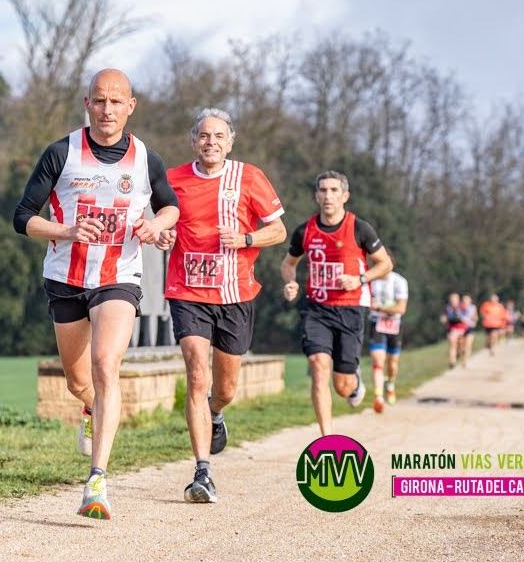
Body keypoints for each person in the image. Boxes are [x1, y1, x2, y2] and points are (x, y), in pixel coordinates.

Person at [12, 68, 180, 520]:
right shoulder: (62, 152)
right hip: (66, 277)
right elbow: (22, 215)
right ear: (87, 104)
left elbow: (170, 208)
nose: (108, 110)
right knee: (77, 380)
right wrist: (64, 230)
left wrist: (155, 226)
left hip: (119, 276)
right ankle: (91, 407)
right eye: (99, 101)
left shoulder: (147, 159)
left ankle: (97, 480)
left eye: (116, 101)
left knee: (107, 365)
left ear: (131, 105)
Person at [155, 108, 287, 503]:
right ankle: (202, 472)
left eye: (219, 136)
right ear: (192, 141)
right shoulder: (173, 180)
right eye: (204, 135)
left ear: (231, 142)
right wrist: (162, 236)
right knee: (197, 375)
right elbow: (162, 224)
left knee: (224, 388)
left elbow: (278, 230)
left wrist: (246, 240)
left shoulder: (249, 177)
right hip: (187, 291)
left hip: (235, 295)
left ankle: (216, 412)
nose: (211, 141)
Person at [280, 170, 393, 437]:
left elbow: (386, 264)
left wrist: (360, 278)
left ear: (345, 196)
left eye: (333, 190)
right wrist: (290, 282)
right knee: (319, 367)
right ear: (316, 196)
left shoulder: (359, 228)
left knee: (342, 386)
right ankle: (327, 439)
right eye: (323, 190)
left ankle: (354, 384)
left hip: (350, 308)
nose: (328, 195)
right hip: (316, 309)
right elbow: (288, 264)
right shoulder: (305, 230)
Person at [367, 255, 408, 412]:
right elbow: (367, 304)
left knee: (392, 363)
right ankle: (378, 397)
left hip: (394, 324)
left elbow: (401, 309)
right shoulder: (371, 281)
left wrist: (378, 308)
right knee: (378, 361)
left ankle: (390, 384)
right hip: (376, 323)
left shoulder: (399, 281)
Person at [440, 292, 466, 368]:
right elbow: (444, 317)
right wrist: (443, 319)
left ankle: (462, 357)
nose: (453, 300)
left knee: (461, 346)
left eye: (455, 299)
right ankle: (452, 362)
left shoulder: (462, 307)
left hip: (461, 328)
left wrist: (462, 318)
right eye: (451, 299)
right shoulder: (447, 308)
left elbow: (467, 317)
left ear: (458, 300)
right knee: (452, 344)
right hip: (451, 328)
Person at [459, 293, 479, 366]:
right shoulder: (460, 307)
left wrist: (475, 321)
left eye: (467, 299)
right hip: (461, 328)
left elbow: (476, 317)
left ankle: (465, 361)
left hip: (470, 327)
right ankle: (462, 356)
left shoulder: (473, 307)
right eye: (464, 299)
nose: (465, 300)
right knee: (461, 346)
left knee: (468, 344)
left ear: (470, 300)